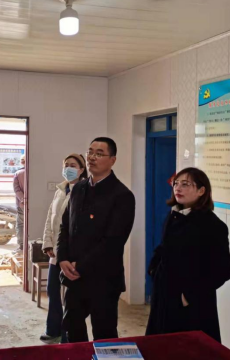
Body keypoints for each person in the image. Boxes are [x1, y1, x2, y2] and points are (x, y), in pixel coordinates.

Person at [57, 137, 136, 343]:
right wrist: (62, 258)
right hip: (74, 277)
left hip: (103, 279)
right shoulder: (78, 189)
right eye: (90, 152)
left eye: (99, 154)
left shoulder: (122, 195)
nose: (92, 157)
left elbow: (113, 242)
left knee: (104, 335)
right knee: (72, 329)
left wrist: (79, 266)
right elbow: (65, 226)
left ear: (112, 160)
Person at [146, 168, 230, 343]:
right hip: (164, 294)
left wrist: (189, 296)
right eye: (176, 183)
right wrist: (154, 269)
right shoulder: (174, 215)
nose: (178, 188)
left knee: (188, 347)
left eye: (185, 184)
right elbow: (164, 247)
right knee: (160, 346)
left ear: (201, 190)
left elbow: (222, 271)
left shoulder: (213, 225)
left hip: (191, 303)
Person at [41, 154, 88, 345]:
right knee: (53, 291)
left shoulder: (84, 192)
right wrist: (48, 243)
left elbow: (78, 228)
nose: (68, 168)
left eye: (73, 165)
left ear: (81, 170)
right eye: (66, 165)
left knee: (69, 296)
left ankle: (67, 335)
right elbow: (50, 218)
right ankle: (53, 329)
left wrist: (66, 252)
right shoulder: (61, 190)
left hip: (70, 254)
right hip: (55, 252)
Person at [13, 155, 26, 254]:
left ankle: (21, 246)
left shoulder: (18, 173)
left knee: (21, 225)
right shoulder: (35, 173)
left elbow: (16, 189)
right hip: (34, 204)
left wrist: (23, 199)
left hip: (22, 204)